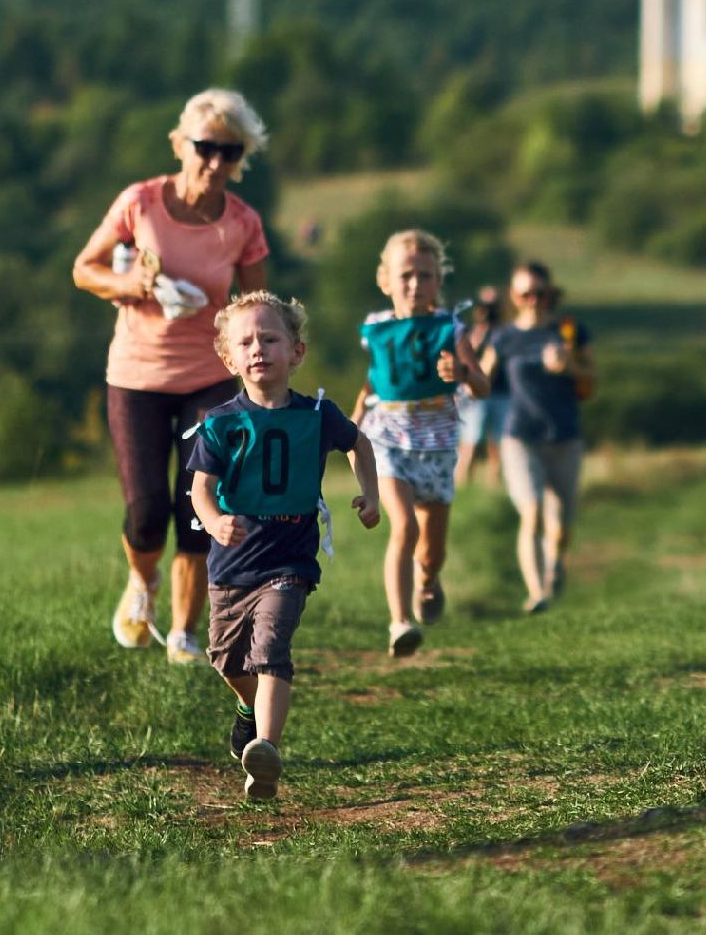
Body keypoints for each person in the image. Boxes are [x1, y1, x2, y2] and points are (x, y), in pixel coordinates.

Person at [72, 89, 271, 664]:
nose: (215, 163)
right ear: (180, 144)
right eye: (205, 148)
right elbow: (85, 268)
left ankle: (184, 633)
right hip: (136, 374)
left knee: (197, 501)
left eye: (229, 153)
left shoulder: (242, 222)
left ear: (240, 160)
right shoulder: (140, 203)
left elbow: (255, 302)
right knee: (146, 508)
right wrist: (132, 286)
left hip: (210, 375)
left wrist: (255, 356)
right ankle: (143, 585)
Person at [185, 291, 379, 800]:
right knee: (227, 661)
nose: (258, 349)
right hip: (231, 564)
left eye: (270, 338)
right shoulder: (221, 422)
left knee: (270, 649)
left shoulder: (318, 414)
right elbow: (201, 489)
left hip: (290, 560)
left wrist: (370, 495)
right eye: (245, 342)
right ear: (229, 358)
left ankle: (265, 753)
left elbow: (360, 443)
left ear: (296, 351)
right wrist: (213, 522)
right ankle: (248, 712)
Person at [350, 230, 490, 657]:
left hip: (438, 443)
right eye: (406, 274)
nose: (415, 284)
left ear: (438, 282)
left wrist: (462, 375)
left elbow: (483, 385)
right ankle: (400, 622)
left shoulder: (451, 328)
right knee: (404, 527)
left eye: (425, 276)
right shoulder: (376, 328)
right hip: (388, 438)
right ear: (385, 279)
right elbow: (377, 381)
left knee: (431, 549)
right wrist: (351, 423)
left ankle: (428, 579)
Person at [480, 262, 594, 613]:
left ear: (549, 293)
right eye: (525, 294)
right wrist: (461, 373)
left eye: (539, 293)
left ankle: (555, 564)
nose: (533, 300)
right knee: (532, 513)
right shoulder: (503, 337)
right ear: (514, 297)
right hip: (520, 436)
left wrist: (569, 366)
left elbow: (590, 383)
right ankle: (537, 592)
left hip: (564, 436)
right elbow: (482, 384)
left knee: (560, 526)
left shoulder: (569, 331)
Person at [454, 287, 509, 490]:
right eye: (485, 307)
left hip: (502, 392)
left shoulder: (504, 333)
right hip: (474, 394)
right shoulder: (467, 333)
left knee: (498, 442)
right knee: (470, 441)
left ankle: (494, 485)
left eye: (492, 308)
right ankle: (462, 484)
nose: (488, 312)